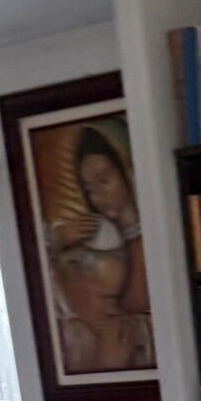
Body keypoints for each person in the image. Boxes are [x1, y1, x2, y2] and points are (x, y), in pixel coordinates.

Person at [45, 124, 154, 373]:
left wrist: (129, 219)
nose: (98, 197)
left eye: (104, 180)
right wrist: (59, 238)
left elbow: (140, 297)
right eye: (90, 190)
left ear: (127, 171)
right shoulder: (88, 238)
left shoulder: (152, 228)